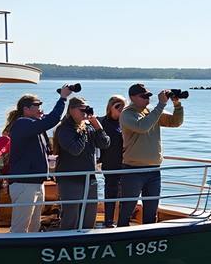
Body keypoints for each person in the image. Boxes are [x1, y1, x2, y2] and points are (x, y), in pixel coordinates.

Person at [2, 85, 73, 232]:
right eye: (37, 105)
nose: (40, 108)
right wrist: (63, 98)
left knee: (34, 226)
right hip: (24, 183)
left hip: (35, 182)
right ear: (26, 109)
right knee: (20, 226)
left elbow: (49, 119)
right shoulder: (22, 124)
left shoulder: (34, 126)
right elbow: (51, 120)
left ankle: (29, 252)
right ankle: (12, 251)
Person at [117, 83, 184, 226]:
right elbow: (142, 127)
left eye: (148, 96)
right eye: (144, 96)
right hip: (133, 170)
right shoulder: (127, 114)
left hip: (153, 170)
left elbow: (175, 122)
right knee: (127, 208)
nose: (147, 99)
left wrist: (177, 105)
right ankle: (121, 232)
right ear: (132, 97)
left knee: (151, 210)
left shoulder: (151, 113)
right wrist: (160, 105)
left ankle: (148, 234)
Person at [53, 97, 110, 230]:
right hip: (70, 178)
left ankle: (86, 241)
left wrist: (97, 125)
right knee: (70, 217)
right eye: (82, 109)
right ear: (72, 110)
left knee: (89, 216)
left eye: (87, 109)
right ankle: (65, 242)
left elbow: (104, 143)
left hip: (89, 178)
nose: (86, 112)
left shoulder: (88, 127)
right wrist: (82, 130)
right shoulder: (64, 129)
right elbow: (75, 150)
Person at [98, 95, 126, 227]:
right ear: (110, 107)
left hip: (126, 163)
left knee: (125, 193)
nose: (121, 109)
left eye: (124, 106)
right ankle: (108, 220)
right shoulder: (102, 122)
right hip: (110, 163)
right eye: (118, 106)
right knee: (111, 192)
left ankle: (122, 220)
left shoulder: (126, 122)